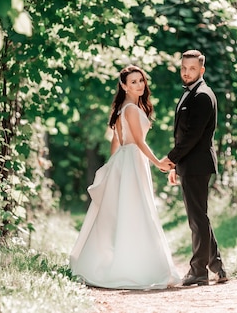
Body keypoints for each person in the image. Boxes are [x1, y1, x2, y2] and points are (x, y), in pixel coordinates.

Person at [69, 65, 181, 289]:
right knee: (138, 210)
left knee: (127, 211)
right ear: (123, 85)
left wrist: (113, 165)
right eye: (133, 82)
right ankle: (136, 267)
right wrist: (158, 162)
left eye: (141, 80)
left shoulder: (124, 107)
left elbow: (116, 141)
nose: (139, 85)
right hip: (132, 160)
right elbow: (139, 141)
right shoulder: (130, 108)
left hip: (126, 160)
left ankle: (124, 263)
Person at [161, 50, 228, 287]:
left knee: (197, 219)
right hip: (189, 163)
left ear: (202, 70)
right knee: (199, 217)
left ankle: (199, 270)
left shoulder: (202, 95)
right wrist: (176, 166)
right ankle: (217, 267)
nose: (186, 73)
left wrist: (170, 159)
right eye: (183, 68)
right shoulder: (191, 94)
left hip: (198, 163)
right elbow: (184, 137)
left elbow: (192, 137)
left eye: (191, 68)